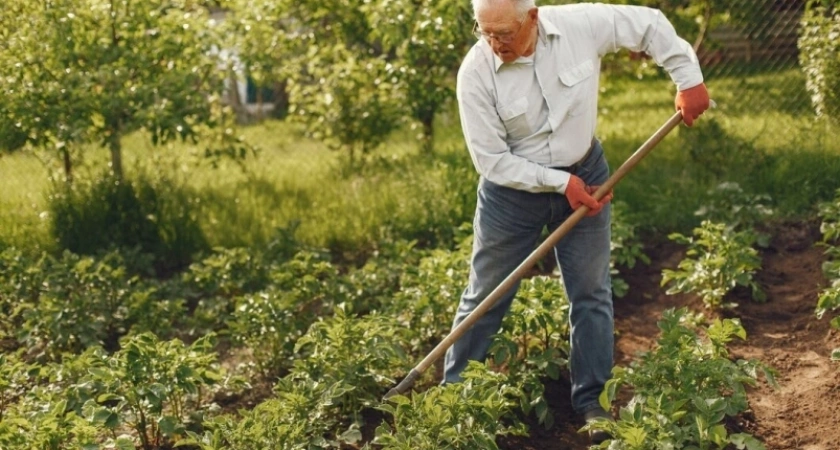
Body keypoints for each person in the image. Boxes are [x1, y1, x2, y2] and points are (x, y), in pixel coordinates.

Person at [445, 0, 710, 444]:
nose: (494, 43)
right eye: (484, 32)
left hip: (585, 173)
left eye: (503, 33)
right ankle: (451, 402)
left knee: (591, 293)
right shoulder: (475, 73)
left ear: (533, 18)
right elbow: (492, 162)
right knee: (487, 294)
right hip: (513, 194)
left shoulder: (579, 26)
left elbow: (648, 24)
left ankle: (593, 403)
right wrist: (557, 183)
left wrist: (688, 79)